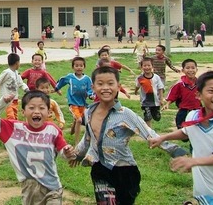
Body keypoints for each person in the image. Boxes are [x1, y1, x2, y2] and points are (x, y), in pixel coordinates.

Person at [71, 66, 187, 205]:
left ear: (118, 86)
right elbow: (88, 138)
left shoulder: (125, 114)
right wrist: (78, 154)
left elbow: (149, 133)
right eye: (100, 84)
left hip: (125, 171)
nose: (105, 88)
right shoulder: (88, 112)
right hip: (99, 168)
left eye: (110, 83)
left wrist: (174, 150)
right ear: (93, 87)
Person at [0, 90, 75, 204]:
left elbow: (62, 150)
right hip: (29, 189)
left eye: (42, 108)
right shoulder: (13, 129)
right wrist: (3, 102)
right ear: (23, 112)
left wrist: (67, 152)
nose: (37, 112)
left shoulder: (52, 129)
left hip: (52, 187)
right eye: (32, 108)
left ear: (49, 112)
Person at [149, 71, 213, 204]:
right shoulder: (193, 116)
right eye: (211, 91)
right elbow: (187, 131)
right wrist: (163, 138)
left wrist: (195, 161)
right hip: (204, 192)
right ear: (198, 95)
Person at [54, 56, 93, 144]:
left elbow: (90, 90)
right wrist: (56, 89)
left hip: (82, 103)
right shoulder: (70, 77)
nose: (79, 67)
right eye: (76, 65)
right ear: (73, 67)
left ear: (84, 67)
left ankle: (73, 129)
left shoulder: (87, 79)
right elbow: (62, 81)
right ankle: (77, 142)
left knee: (78, 119)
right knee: (79, 120)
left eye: (81, 65)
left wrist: (91, 95)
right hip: (73, 103)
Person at [0, 53, 29, 120]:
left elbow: (21, 83)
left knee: (15, 117)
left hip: (15, 99)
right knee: (11, 116)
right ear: (17, 63)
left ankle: (14, 129)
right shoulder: (6, 72)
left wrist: (27, 90)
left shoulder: (16, 73)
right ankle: (9, 128)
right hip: (7, 99)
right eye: (19, 62)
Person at [166, 58, 201, 129]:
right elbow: (173, 94)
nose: (190, 70)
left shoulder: (200, 83)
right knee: (182, 129)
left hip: (197, 110)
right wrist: (168, 103)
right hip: (184, 110)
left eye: (193, 68)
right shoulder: (180, 84)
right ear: (183, 70)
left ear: (196, 70)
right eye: (187, 68)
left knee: (198, 129)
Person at [134, 57, 166, 128]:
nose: (147, 67)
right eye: (144, 66)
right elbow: (137, 86)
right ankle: (149, 131)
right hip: (145, 102)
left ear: (152, 66)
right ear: (141, 67)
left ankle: (157, 113)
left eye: (149, 65)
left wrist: (161, 99)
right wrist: (135, 91)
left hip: (156, 101)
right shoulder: (140, 78)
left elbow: (160, 88)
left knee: (157, 118)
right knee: (147, 116)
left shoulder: (156, 77)